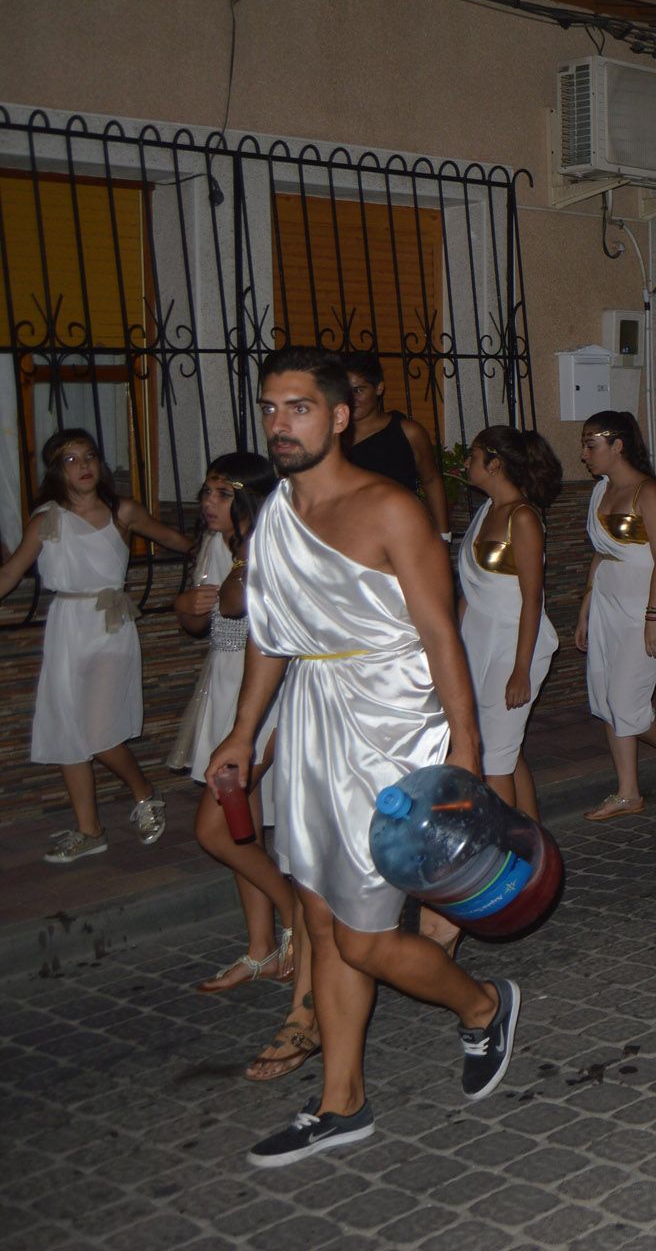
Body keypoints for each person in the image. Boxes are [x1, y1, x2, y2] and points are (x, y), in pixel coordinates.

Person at [205, 346, 516, 1168]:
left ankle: (483, 1004)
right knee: (320, 917)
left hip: (393, 728)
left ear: (339, 416)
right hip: (312, 722)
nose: (281, 424)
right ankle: (341, 1103)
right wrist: (243, 732)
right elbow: (272, 638)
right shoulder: (272, 512)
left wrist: (469, 753)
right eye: (270, 408)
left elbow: (442, 634)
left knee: (366, 937)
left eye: (298, 407)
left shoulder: (390, 508)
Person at [0, 428, 195, 863]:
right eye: (71, 459)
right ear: (57, 470)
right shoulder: (46, 519)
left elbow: (175, 539)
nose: (84, 465)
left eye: (89, 456)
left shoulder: (121, 510)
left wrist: (219, 548)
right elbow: (11, 573)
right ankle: (90, 831)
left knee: (100, 733)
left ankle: (145, 793)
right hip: (67, 627)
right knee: (67, 730)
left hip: (110, 625)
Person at [170, 454, 294, 987]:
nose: (208, 504)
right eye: (206, 492)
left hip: (263, 701)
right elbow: (199, 622)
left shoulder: (270, 546)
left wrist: (235, 571)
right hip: (221, 692)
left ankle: (299, 915)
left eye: (222, 494)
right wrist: (188, 607)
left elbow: (243, 604)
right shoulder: (215, 547)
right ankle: (260, 947)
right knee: (245, 833)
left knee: (214, 829)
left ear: (249, 499)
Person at [575, 410, 656, 820]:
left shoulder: (648, 493)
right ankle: (628, 792)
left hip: (644, 607)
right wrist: (585, 609)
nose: (585, 454)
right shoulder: (601, 490)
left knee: (627, 702)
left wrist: (651, 617)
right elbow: (601, 553)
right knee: (609, 698)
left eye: (592, 445)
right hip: (608, 603)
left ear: (617, 445)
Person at [458, 426, 562, 819]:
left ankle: (504, 856)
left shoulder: (522, 517)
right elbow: (470, 592)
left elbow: (532, 599)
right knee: (503, 747)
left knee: (494, 759)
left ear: (495, 464)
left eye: (473, 455)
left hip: (516, 647)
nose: (467, 463)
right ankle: (536, 843)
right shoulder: (487, 510)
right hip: (481, 643)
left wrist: (521, 671)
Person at [338, 350, 450, 537]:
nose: (351, 399)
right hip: (346, 539)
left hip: (399, 535)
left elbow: (431, 480)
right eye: (344, 391)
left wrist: (444, 536)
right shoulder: (331, 434)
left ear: (379, 388)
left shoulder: (408, 432)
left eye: (358, 390)